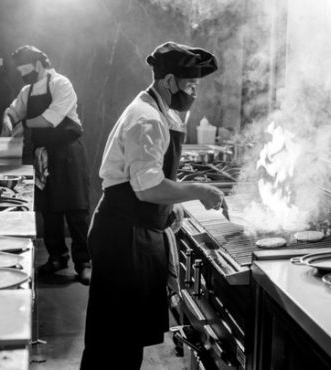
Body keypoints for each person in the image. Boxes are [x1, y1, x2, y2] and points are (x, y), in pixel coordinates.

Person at [80, 41, 225, 369]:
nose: (193, 93)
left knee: (124, 340)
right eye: (190, 85)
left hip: (134, 232)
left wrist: (167, 208)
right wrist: (199, 190)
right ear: (169, 81)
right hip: (123, 238)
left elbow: (144, 180)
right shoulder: (147, 119)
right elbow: (147, 188)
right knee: (114, 342)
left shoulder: (158, 111)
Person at [1, 45, 92, 285]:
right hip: (43, 154)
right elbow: (12, 110)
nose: (23, 75)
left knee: (76, 210)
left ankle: (84, 262)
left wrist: (26, 125)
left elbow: (51, 119)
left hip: (68, 152)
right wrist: (8, 120)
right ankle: (57, 258)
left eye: (25, 69)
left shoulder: (61, 84)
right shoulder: (27, 90)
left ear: (39, 64)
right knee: (49, 209)